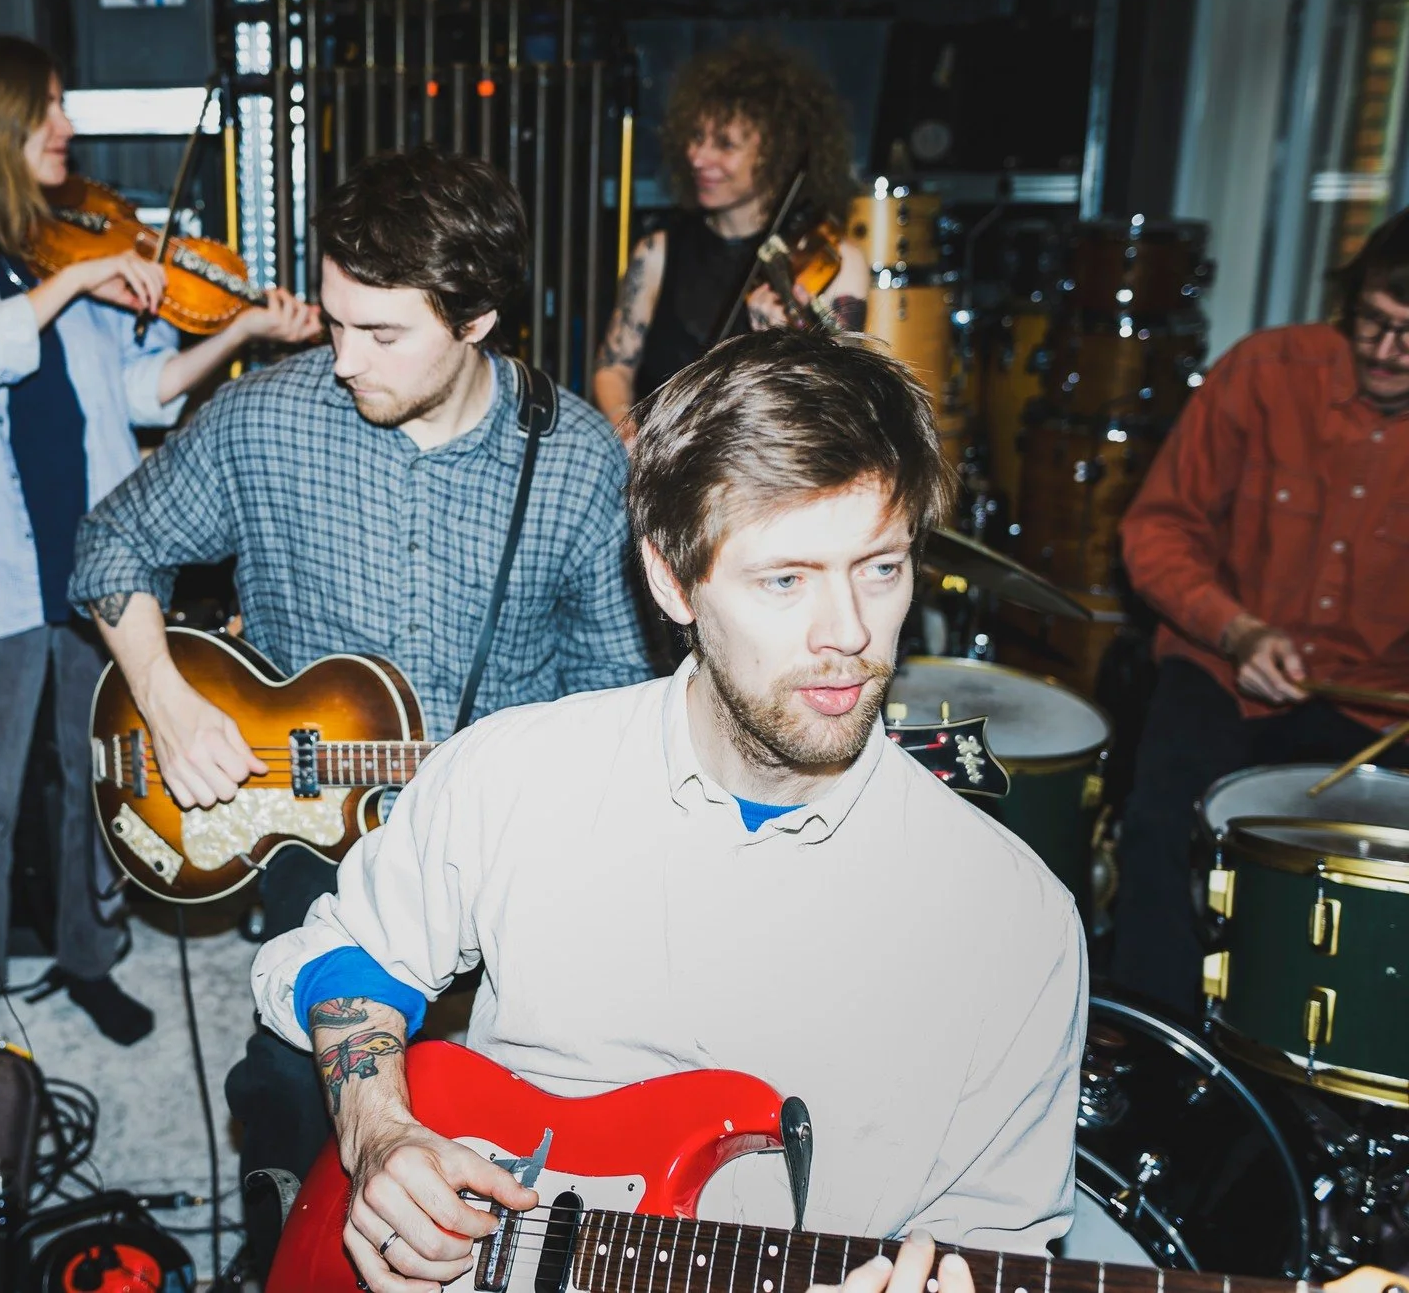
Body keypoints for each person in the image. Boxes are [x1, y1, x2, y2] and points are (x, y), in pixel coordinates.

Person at [253, 329, 1085, 1293]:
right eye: (786, 579)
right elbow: (350, 954)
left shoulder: (1014, 922)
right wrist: (380, 1132)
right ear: (671, 579)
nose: (850, 632)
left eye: (881, 568)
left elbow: (997, 1241)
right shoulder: (516, 772)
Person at [70, 147, 654, 1196]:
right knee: (288, 1092)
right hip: (313, 827)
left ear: (476, 320)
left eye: (381, 334)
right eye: (336, 322)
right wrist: (167, 700)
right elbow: (111, 543)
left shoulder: (574, 458)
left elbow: (614, 686)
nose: (344, 358)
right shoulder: (265, 419)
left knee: (573, 1090)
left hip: (509, 834)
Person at [0, 34, 317, 1042]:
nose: (66, 126)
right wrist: (77, 283)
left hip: (94, 564)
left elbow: (137, 389)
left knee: (101, 780)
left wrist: (237, 332)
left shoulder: (65, 238)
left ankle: (90, 954)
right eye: (46, 107)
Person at [1110, 209, 1409, 1014]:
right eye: (1373, 322)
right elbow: (1156, 529)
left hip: (1374, 707)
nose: (1386, 351)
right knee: (1162, 826)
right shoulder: (1267, 370)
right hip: (1222, 666)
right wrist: (1236, 628)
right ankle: (1153, 1044)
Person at [592, 36, 869, 445]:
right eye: (696, 137)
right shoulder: (658, 252)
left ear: (776, 152)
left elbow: (844, 404)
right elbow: (613, 367)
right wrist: (628, 431)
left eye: (724, 144)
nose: (698, 157)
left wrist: (784, 349)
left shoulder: (833, 260)